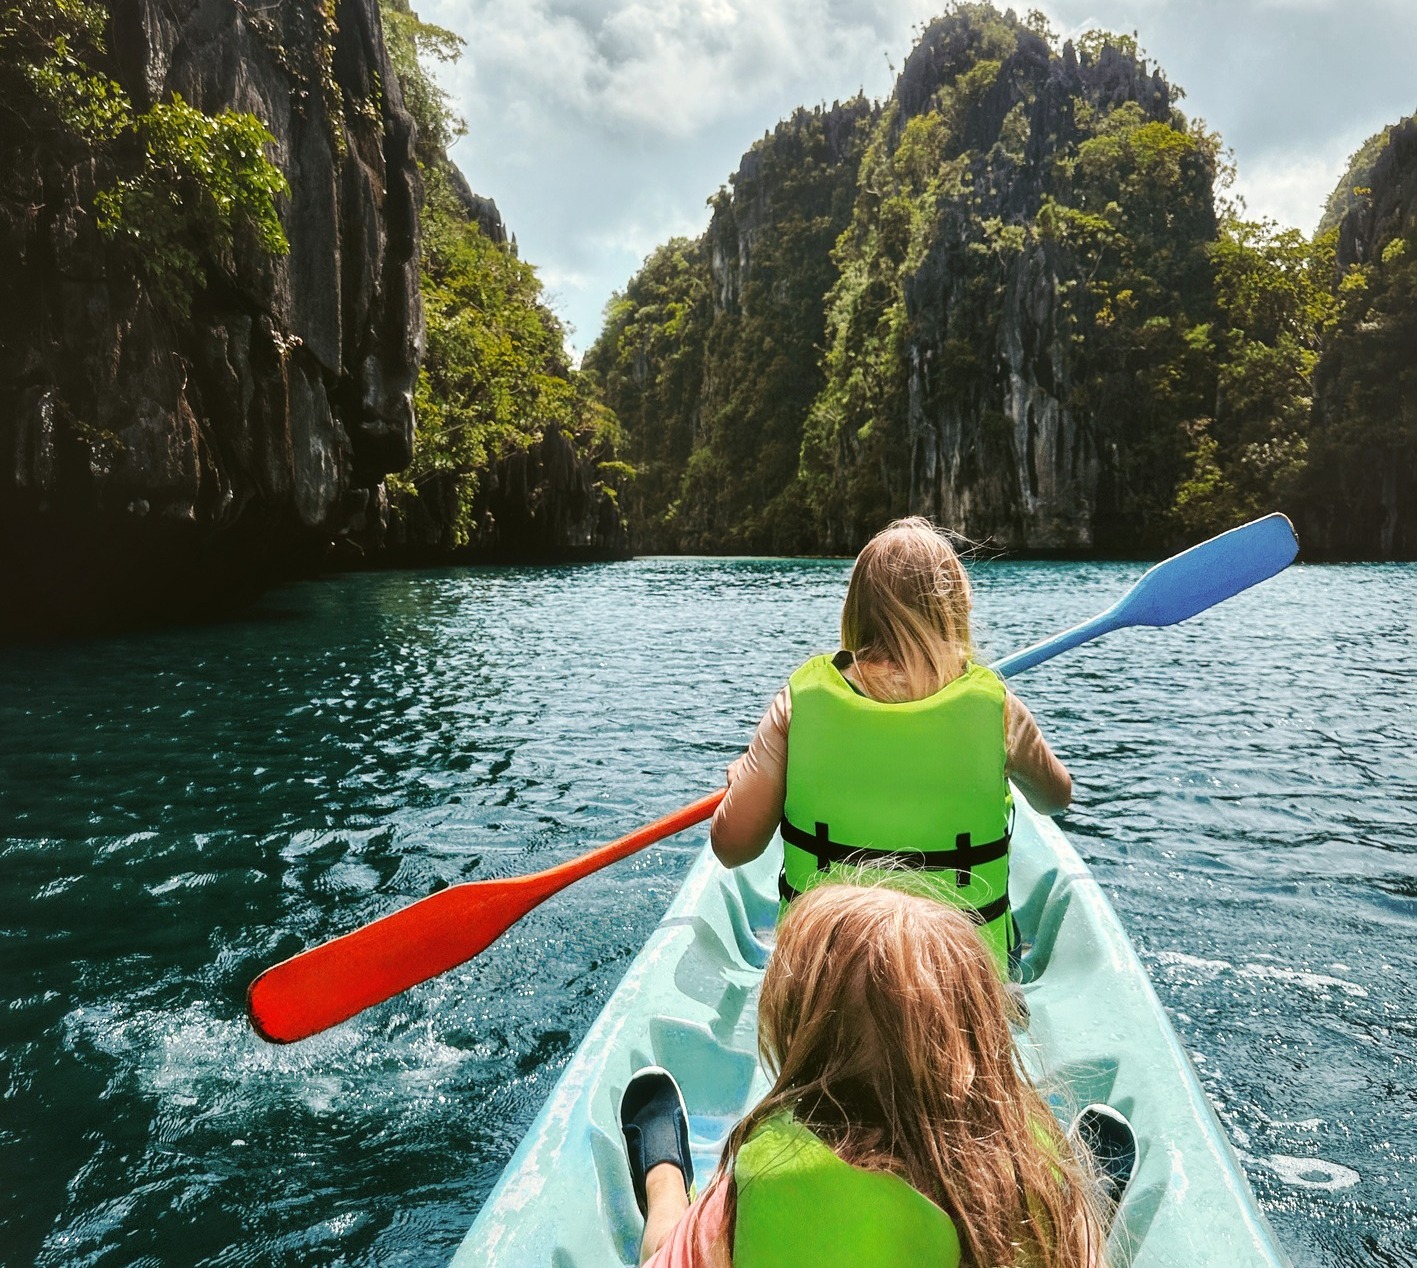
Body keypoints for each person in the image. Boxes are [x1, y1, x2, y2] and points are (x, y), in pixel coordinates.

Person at [619, 884, 1120, 1268]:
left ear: (806, 1045)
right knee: (1064, 1222)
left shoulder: (765, 1180)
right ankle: (1089, 1197)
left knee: (672, 1237)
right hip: (1033, 1210)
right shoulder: (1024, 1184)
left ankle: (664, 1183)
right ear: (982, 1045)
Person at [710, 516, 1071, 976]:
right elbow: (1056, 798)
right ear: (954, 607)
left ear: (855, 608)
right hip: (960, 980)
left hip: (824, 975)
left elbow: (732, 848)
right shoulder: (997, 708)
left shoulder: (797, 704)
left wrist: (743, 778)